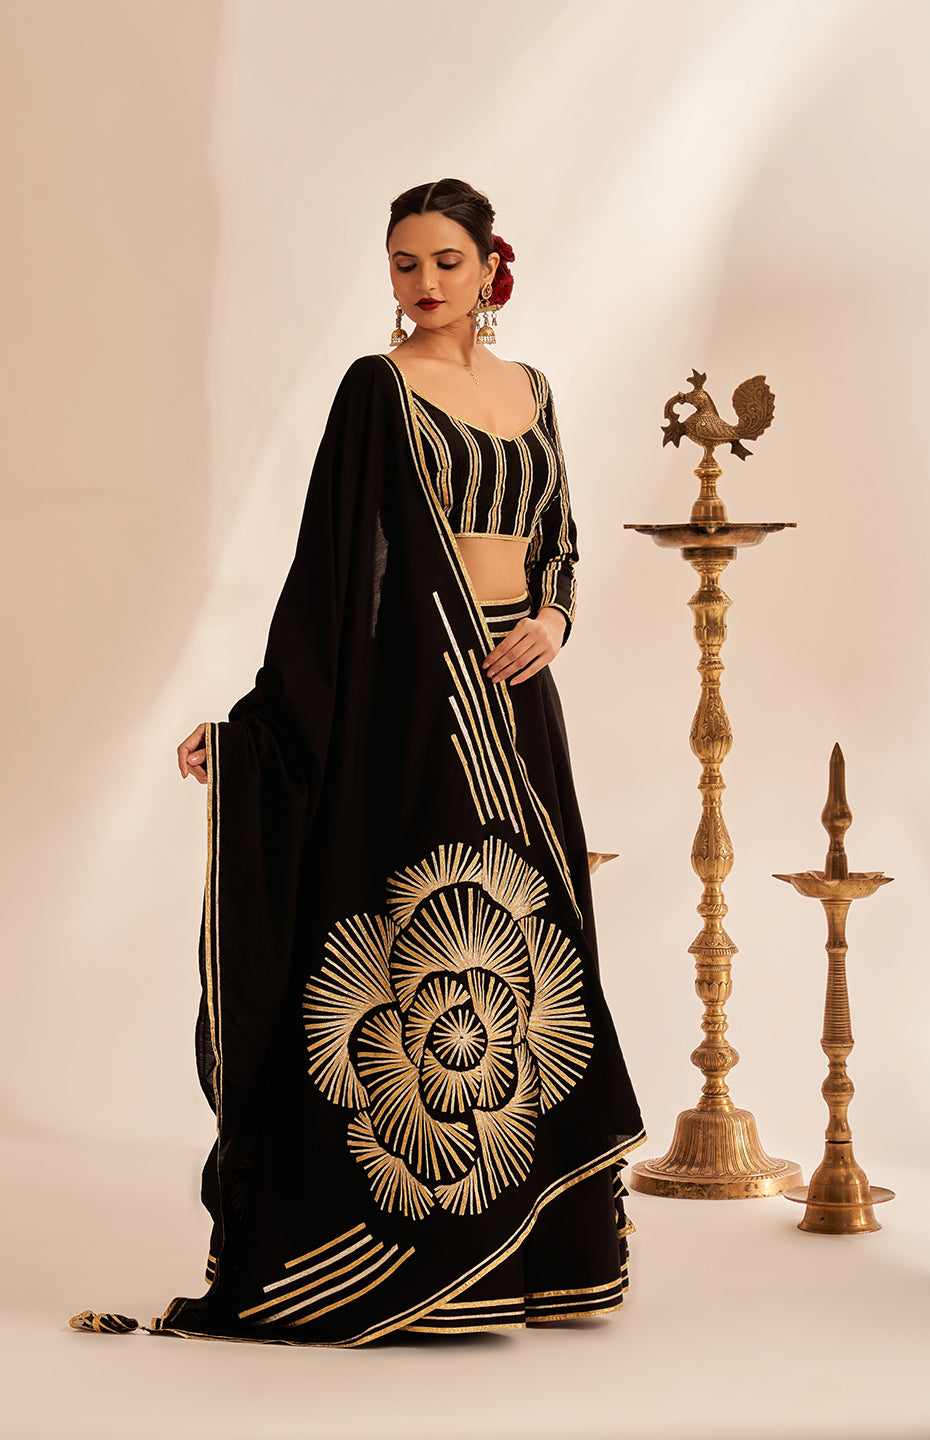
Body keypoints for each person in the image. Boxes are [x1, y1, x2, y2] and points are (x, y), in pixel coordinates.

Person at [69, 178, 646, 1348]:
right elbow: (328, 577)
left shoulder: (534, 392)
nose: (423, 283)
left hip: (523, 704)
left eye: (445, 261)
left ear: (490, 268)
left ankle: (539, 1254)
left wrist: (556, 619)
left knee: (538, 955)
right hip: (421, 707)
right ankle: (430, 1251)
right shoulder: (377, 389)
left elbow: (560, 540)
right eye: (403, 263)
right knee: (437, 951)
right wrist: (258, 728)